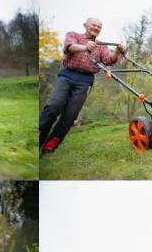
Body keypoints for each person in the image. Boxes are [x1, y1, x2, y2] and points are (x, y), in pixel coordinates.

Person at [39, 17, 126, 155]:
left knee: (70, 115)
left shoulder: (101, 46)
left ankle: (49, 146)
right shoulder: (73, 35)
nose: (96, 28)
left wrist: (118, 51)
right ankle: (37, 139)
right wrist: (86, 47)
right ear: (85, 25)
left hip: (85, 81)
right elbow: (70, 47)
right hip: (67, 75)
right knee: (54, 106)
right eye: (94, 25)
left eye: (99, 26)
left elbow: (109, 60)